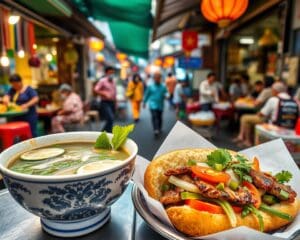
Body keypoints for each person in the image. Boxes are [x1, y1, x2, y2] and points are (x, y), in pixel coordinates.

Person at [234, 82, 298, 147]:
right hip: (291, 129)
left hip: (274, 128)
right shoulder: (296, 101)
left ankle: (247, 141)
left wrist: (259, 113)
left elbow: (262, 114)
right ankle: (244, 138)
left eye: (272, 90)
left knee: (245, 118)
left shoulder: (273, 99)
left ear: (275, 91)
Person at [143, 71, 167, 137]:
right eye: (156, 78)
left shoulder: (163, 86)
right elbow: (147, 95)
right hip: (152, 105)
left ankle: (159, 128)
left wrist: (167, 95)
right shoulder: (150, 86)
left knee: (159, 117)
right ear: (154, 78)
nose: (157, 79)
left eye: (158, 78)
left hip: (160, 105)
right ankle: (155, 129)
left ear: (160, 78)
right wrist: (144, 102)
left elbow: (166, 93)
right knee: (154, 116)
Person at [94, 66, 117, 132]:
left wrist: (116, 102)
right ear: (106, 73)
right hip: (105, 102)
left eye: (113, 72)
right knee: (110, 118)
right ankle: (103, 133)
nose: (112, 74)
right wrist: (104, 94)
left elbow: (115, 92)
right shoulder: (102, 81)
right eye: (110, 73)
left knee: (111, 119)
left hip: (112, 102)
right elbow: (96, 89)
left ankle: (109, 134)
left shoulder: (113, 81)